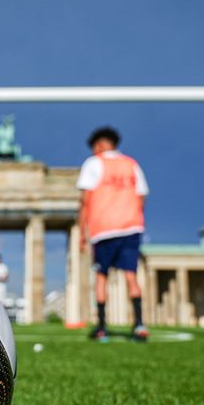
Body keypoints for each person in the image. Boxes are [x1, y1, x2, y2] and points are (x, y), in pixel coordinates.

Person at [77, 126, 150, 342]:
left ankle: (101, 327)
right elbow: (141, 197)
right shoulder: (132, 164)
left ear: (99, 145)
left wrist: (82, 233)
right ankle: (139, 325)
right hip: (131, 226)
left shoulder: (94, 163)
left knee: (102, 276)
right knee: (131, 276)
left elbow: (85, 200)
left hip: (104, 229)